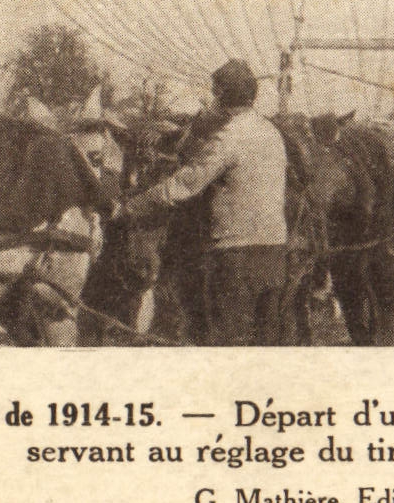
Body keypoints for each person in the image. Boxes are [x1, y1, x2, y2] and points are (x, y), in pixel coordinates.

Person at [121, 59, 288, 345]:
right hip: (275, 252)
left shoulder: (228, 137)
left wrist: (132, 206)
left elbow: (185, 185)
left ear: (222, 95)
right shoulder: (271, 133)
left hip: (236, 257)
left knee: (225, 343)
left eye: (214, 93)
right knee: (267, 341)